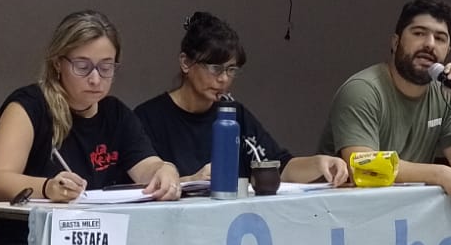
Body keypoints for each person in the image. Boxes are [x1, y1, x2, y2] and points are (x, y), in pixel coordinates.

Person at [0, 10, 181, 245]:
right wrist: (48, 188)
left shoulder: (116, 114)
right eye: (83, 67)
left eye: (106, 68)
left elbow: (146, 167)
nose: (96, 79)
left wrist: (164, 170)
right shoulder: (29, 107)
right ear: (58, 63)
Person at [134, 12, 348, 187]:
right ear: (185, 63)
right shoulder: (147, 118)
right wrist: (190, 181)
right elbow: (137, 186)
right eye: (215, 68)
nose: (224, 79)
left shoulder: (234, 115)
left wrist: (319, 163)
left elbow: (279, 166)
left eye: (231, 70)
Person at [317, 0, 451, 207]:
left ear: (448, 50)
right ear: (395, 42)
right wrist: (440, 174)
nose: (430, 44)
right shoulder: (363, 89)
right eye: (419, 33)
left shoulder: (447, 93)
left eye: (440, 38)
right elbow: (363, 166)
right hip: (345, 212)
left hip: (404, 211)